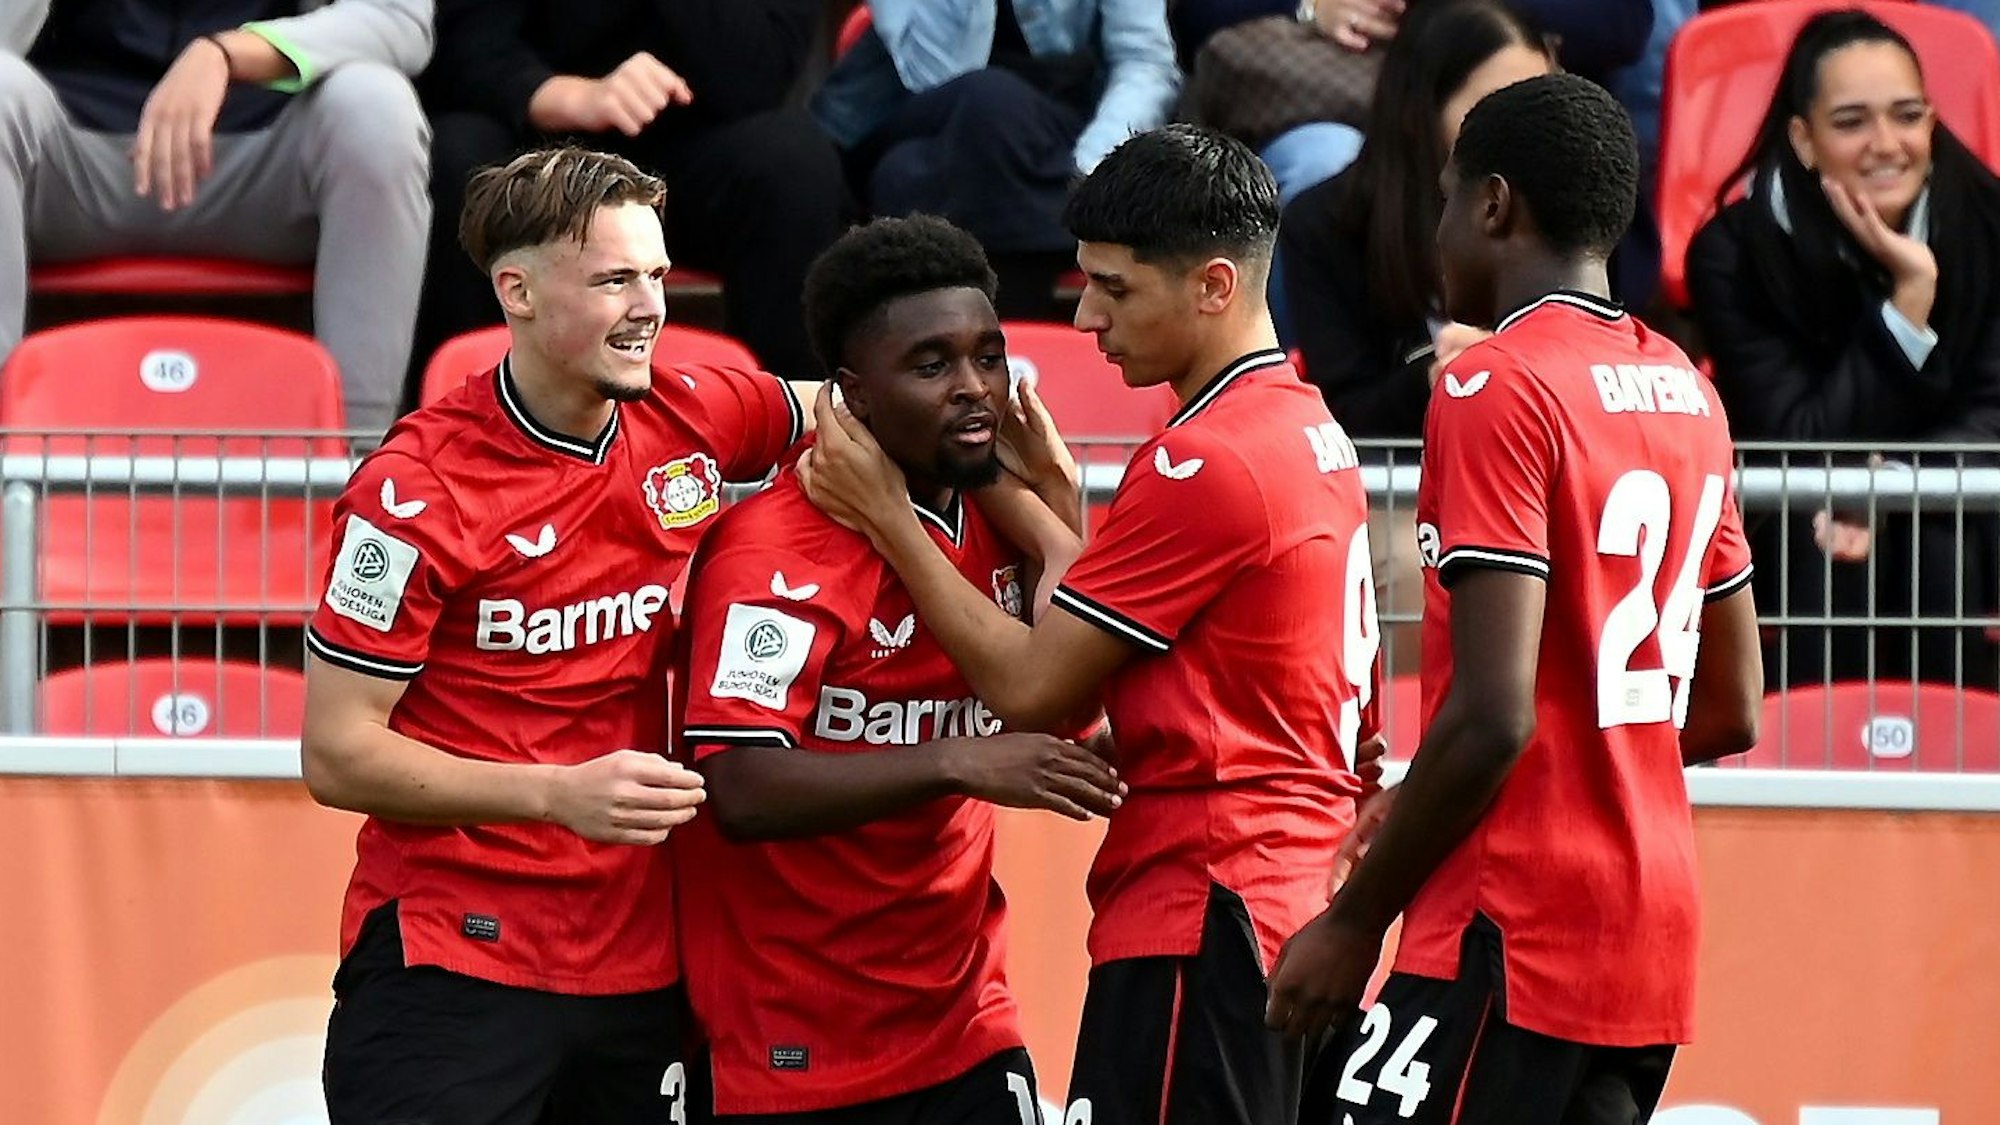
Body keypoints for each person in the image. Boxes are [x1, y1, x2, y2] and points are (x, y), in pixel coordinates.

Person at [801, 124, 1379, 1125]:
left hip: (1205, 911)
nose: (1086, 320)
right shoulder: (1300, 423)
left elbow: (1033, 688)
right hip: (1283, 897)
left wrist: (889, 519)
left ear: (1210, 285)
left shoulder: (1207, 460)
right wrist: (1047, 500)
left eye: (1115, 288)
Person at [1265, 75, 1764, 1124]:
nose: (1436, 231)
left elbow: (1491, 717)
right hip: (1646, 930)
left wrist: (1354, 920)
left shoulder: (1492, 384)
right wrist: (1579, 764)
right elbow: (1730, 709)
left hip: (1512, 924)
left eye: (1446, 197)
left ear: (1492, 205)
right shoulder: (1686, 389)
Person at [300, 146, 819, 1125]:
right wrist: (553, 793)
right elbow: (336, 752)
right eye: (614, 279)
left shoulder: (695, 412)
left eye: (657, 275)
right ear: (518, 291)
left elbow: (864, 413)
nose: (650, 307)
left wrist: (1046, 523)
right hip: (454, 957)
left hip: (642, 970)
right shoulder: (417, 490)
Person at [674, 213, 1122, 1123]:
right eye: (932, 366)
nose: (975, 390)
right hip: (790, 1035)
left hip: (965, 1017)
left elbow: (1075, 709)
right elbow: (743, 785)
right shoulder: (773, 550)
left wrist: (1057, 506)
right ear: (853, 395)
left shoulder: (1004, 520)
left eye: (990, 358)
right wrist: (959, 759)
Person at [1686, 9, 2000, 690]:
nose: (1888, 144)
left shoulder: (1989, 225)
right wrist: (1905, 307)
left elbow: (1992, 417)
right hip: (1797, 517)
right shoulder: (1734, 252)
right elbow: (1798, 440)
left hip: (1959, 508)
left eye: (1908, 115)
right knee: (1826, 541)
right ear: (1802, 138)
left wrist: (1888, 486)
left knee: (1935, 536)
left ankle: (1967, 780)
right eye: (1852, 121)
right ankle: (1804, 777)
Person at [1276, 0, 1553, 675]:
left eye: (1538, 103)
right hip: (1398, 489)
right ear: (1421, 108)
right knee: (1406, 561)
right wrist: (1433, 376)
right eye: (1494, 106)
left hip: (1538, 480)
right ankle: (1415, 768)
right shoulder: (1328, 224)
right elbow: (1343, 417)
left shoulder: (1560, 219)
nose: (1525, 133)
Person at [3, 0, 431, 434]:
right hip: (73, 155)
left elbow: (400, 21)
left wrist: (226, 54)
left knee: (376, 107)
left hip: (263, 155)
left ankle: (356, 459)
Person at [412, 0, 846, 394]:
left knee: (794, 163)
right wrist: (562, 95)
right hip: (537, 137)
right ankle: (461, 419)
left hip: (697, 145)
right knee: (460, 157)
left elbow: (762, 70)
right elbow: (459, 48)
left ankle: (791, 431)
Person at [812, 0, 1181, 319]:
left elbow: (1144, 63)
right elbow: (939, 69)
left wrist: (1096, 166)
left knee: (902, 176)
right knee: (988, 103)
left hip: (1054, 131)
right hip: (927, 112)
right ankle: (1012, 338)